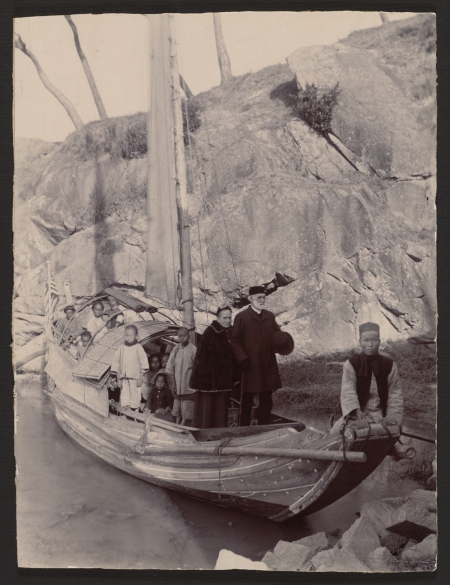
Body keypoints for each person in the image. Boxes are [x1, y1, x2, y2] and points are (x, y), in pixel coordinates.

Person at [332, 322, 403, 432]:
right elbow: (348, 391)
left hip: (381, 414)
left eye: (374, 340)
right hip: (358, 413)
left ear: (379, 342)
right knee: (335, 433)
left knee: (389, 434)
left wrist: (391, 418)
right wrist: (356, 411)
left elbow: (395, 395)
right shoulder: (351, 364)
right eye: (366, 340)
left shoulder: (389, 365)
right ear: (360, 342)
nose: (370, 344)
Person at [230, 286, 282, 426]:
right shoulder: (241, 317)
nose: (262, 300)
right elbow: (234, 341)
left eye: (264, 297)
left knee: (266, 398)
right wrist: (243, 359)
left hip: (267, 365)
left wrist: (283, 343)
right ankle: (244, 429)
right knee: (247, 398)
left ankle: (263, 427)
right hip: (250, 366)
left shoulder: (269, 316)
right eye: (259, 297)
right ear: (250, 299)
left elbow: (278, 336)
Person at [190, 306, 238, 429]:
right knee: (208, 409)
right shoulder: (210, 333)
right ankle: (206, 433)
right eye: (224, 318)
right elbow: (202, 359)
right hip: (210, 382)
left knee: (221, 411)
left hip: (224, 380)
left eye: (229, 317)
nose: (228, 320)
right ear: (218, 318)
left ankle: (219, 433)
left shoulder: (230, 331)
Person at [111, 324, 148, 413]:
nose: (129, 337)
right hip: (123, 377)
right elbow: (116, 362)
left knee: (135, 394)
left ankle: (135, 410)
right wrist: (118, 378)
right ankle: (126, 410)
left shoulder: (138, 347)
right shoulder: (121, 348)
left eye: (131, 336)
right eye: (126, 335)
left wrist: (141, 376)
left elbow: (144, 362)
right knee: (124, 394)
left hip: (135, 377)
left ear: (136, 336)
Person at [165, 327, 197, 426]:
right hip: (177, 384)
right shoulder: (175, 349)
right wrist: (172, 384)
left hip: (188, 384)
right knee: (177, 405)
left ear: (189, 336)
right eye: (180, 336)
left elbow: (197, 368)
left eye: (184, 336)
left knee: (187, 406)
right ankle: (177, 424)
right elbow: (169, 368)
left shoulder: (193, 350)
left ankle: (183, 424)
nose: (182, 338)